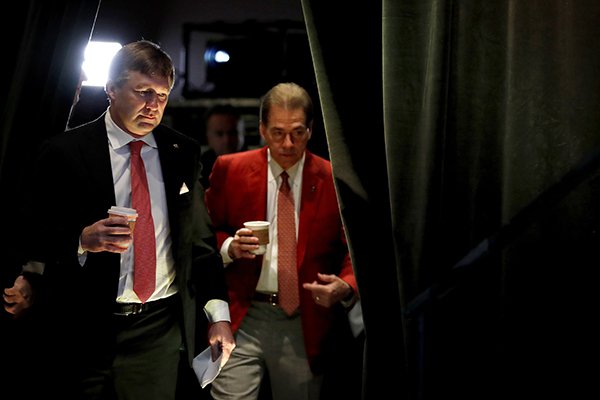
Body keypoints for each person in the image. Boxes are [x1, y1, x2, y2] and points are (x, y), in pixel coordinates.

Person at [2, 39, 235, 400]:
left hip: (158, 327)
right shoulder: (64, 151)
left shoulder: (182, 151)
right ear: (111, 89)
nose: (153, 106)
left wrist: (219, 315)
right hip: (82, 324)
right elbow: (25, 234)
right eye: (142, 92)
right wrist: (81, 239)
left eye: (162, 94)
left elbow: (200, 242)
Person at [205, 82, 359, 400]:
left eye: (298, 132)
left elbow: (354, 251)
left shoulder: (332, 178)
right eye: (277, 132)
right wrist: (229, 247)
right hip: (242, 314)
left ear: (311, 129)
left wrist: (345, 285)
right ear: (261, 129)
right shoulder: (230, 169)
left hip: (303, 319)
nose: (288, 143)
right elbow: (204, 233)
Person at [200, 103, 246, 189]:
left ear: (242, 133)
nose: (227, 140)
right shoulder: (198, 170)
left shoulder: (260, 166)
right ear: (208, 137)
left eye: (232, 133)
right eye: (219, 134)